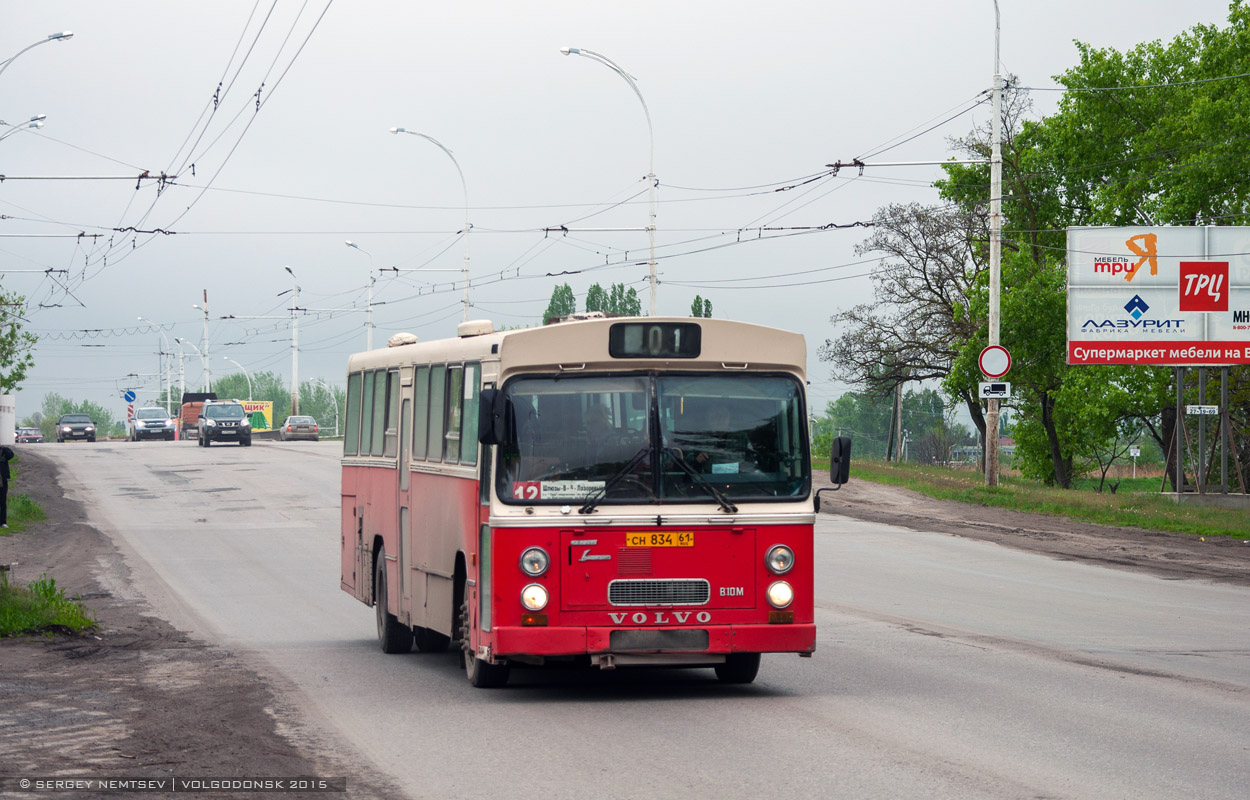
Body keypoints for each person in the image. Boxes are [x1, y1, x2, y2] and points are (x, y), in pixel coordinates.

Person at [0, 445, 13, 528]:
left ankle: (3, 522)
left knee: (2, 502)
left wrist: (4, 448)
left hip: (3, 481)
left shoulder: (4, 453)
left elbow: (11, 455)